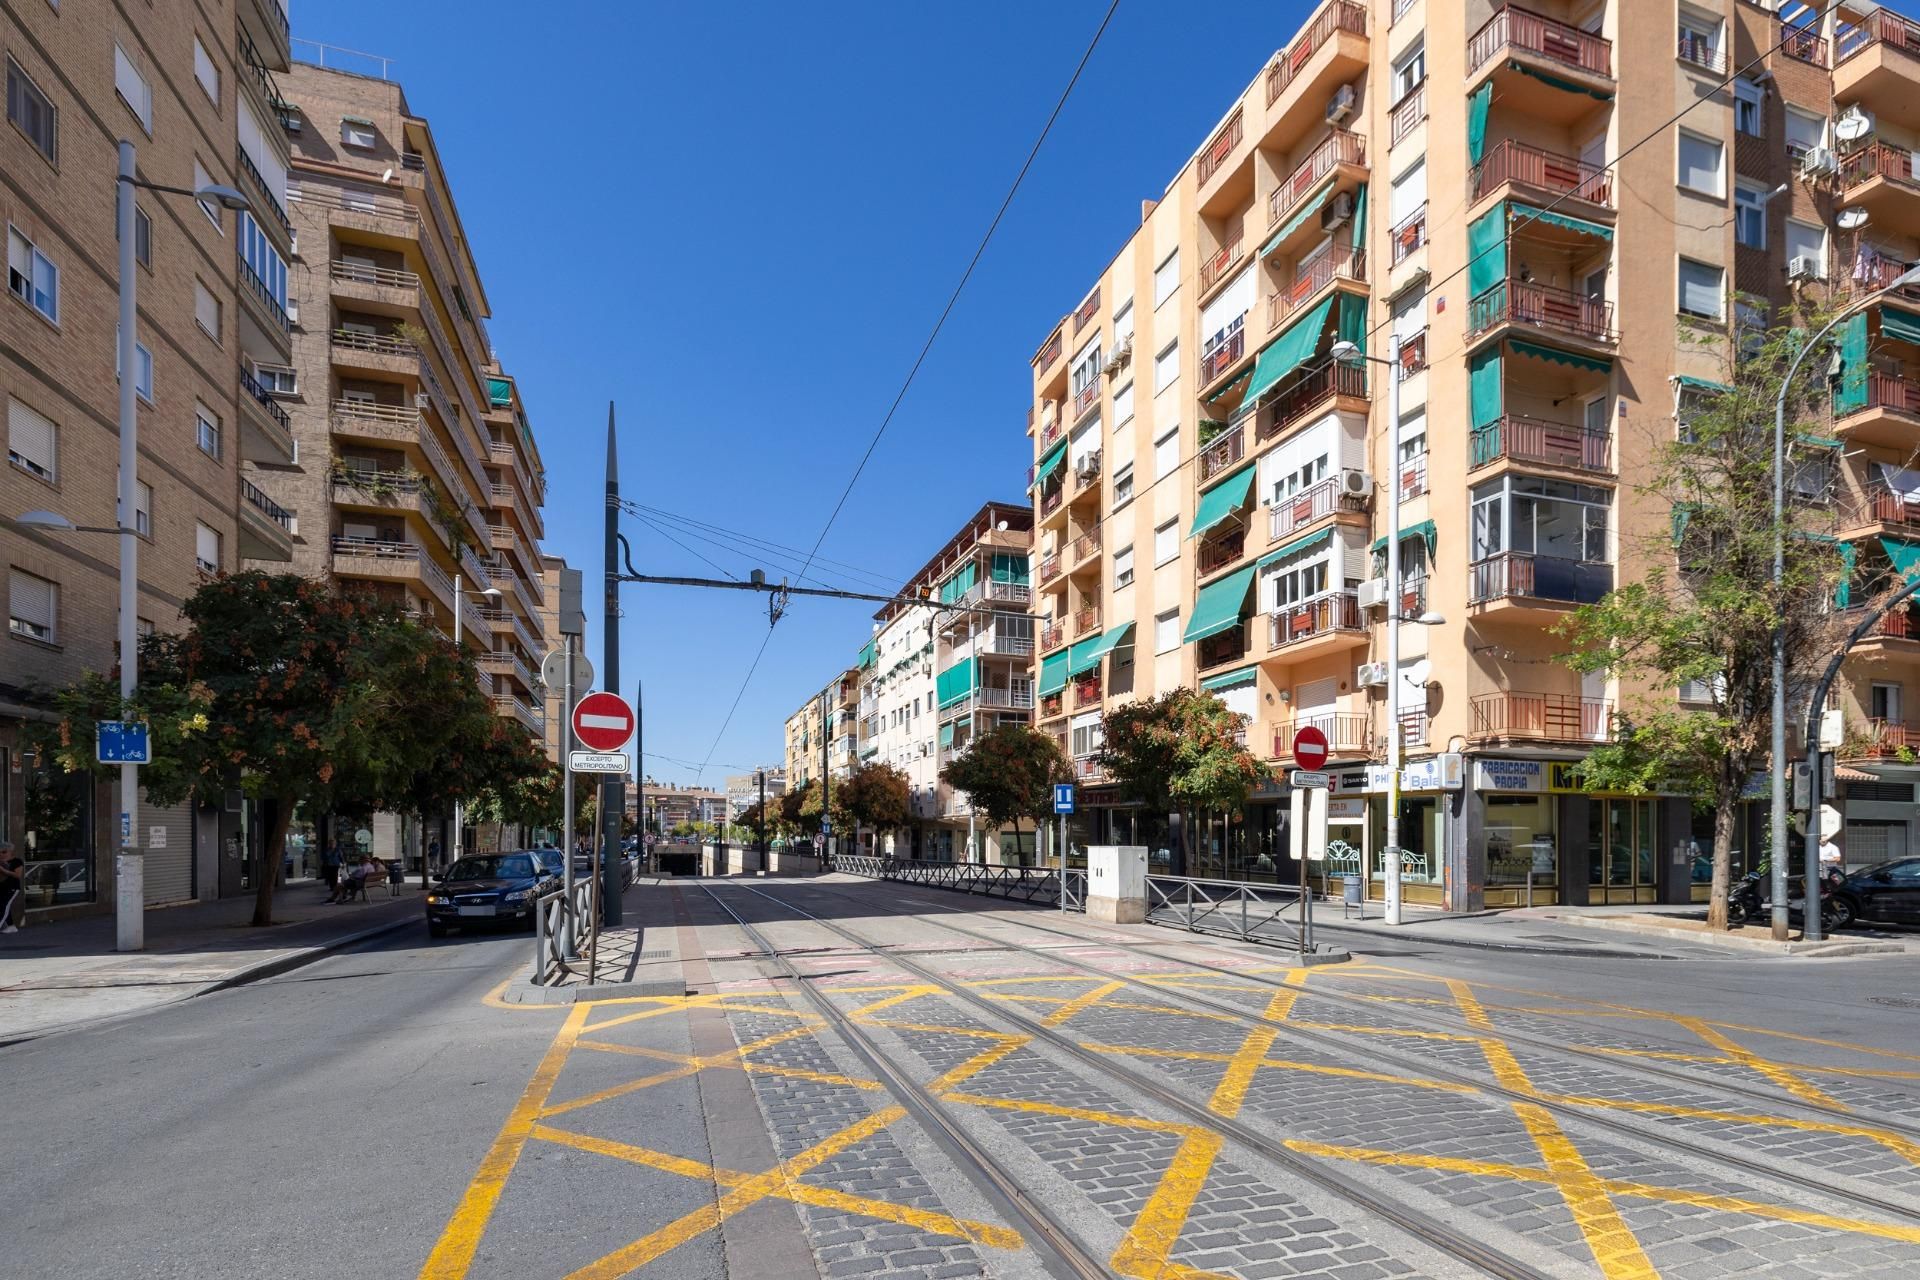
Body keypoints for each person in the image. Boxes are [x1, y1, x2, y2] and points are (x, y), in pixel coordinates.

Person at [1, 838, 25, 933]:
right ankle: (11, 926)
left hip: (12, 887)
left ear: (10, 851)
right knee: (4, 906)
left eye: (4, 852)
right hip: (1, 887)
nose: (1, 854)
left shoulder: (17, 861)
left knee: (3, 906)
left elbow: (17, 875)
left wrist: (4, 871)